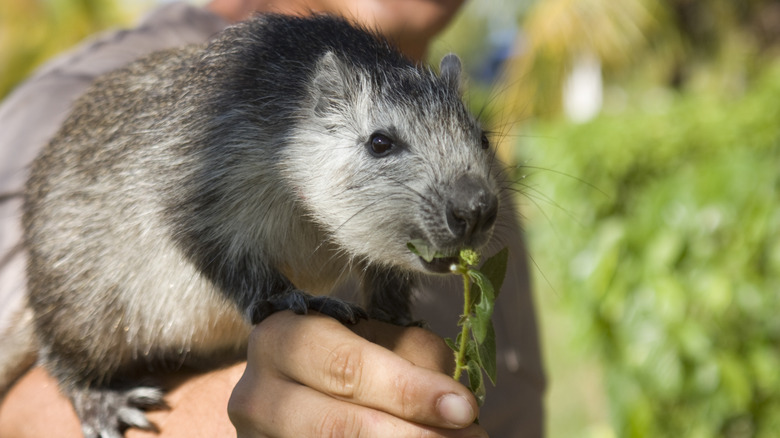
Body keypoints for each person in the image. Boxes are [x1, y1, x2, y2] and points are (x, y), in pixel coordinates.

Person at [0, 1, 546, 436]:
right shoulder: (61, 95)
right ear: (320, 107)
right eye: (381, 145)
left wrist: (391, 308)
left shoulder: (461, 164)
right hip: (110, 315)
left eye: (476, 139)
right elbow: (19, 412)